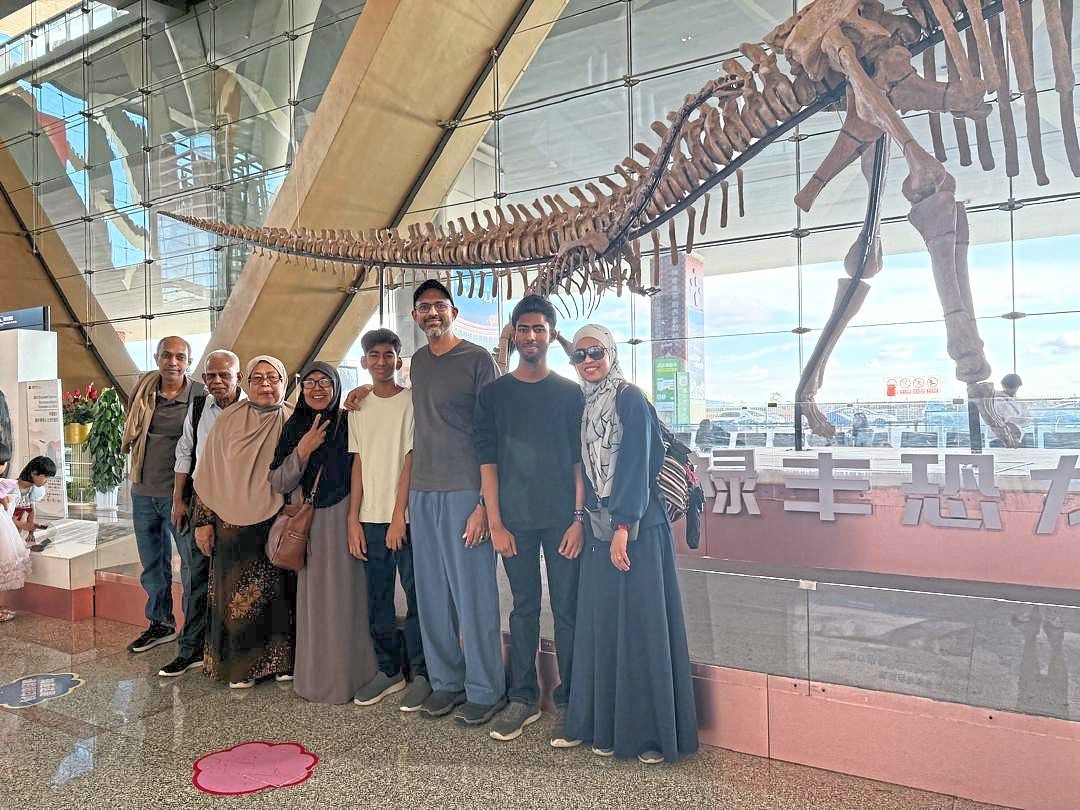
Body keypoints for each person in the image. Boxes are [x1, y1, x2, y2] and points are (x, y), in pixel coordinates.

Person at [344, 279, 504, 725]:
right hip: (422, 493)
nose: (431, 313)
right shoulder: (417, 365)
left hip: (464, 492)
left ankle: (486, 688)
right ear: (414, 316)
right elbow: (396, 407)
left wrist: (483, 506)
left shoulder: (477, 360)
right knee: (432, 597)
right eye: (423, 307)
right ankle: (446, 682)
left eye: (439, 306)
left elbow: (492, 434)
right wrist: (356, 393)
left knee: (474, 595)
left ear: (453, 312)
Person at [560, 324, 698, 764]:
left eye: (596, 351)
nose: (588, 361)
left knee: (641, 626)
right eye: (579, 355)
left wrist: (623, 526)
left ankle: (651, 736)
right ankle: (604, 728)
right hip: (605, 524)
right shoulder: (586, 402)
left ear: (612, 352)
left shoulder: (628, 396)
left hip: (636, 526)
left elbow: (638, 463)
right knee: (605, 625)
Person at [474, 295, 585, 743]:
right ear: (514, 335)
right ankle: (522, 697)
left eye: (540, 329)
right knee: (522, 608)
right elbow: (487, 463)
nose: (532, 336)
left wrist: (578, 519)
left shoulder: (569, 393)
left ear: (550, 334)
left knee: (567, 609)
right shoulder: (494, 395)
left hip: (562, 519)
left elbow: (579, 463)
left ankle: (574, 696)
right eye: (524, 328)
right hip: (514, 520)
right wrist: (496, 522)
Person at [269, 362, 378, 704]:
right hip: (309, 524)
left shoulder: (349, 422)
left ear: (336, 386)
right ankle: (317, 680)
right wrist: (304, 448)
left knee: (349, 600)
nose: (317, 389)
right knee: (316, 604)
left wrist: (365, 390)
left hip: (347, 516)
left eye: (325, 382)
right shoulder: (293, 427)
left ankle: (354, 677)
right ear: (302, 388)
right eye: (311, 382)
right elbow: (278, 481)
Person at [192, 356, 295, 688]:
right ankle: (242, 667)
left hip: (277, 523)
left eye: (273, 378)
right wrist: (203, 521)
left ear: (284, 381)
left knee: (281, 596)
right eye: (258, 378)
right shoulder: (229, 420)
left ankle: (281, 662)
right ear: (246, 383)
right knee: (237, 599)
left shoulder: (293, 419)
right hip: (232, 525)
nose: (266, 385)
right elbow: (207, 472)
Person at [347, 329, 430, 711]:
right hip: (369, 520)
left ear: (399, 360)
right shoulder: (358, 407)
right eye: (374, 355)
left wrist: (399, 516)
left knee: (417, 597)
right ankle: (389, 671)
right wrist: (353, 518)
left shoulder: (412, 402)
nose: (381, 361)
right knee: (377, 598)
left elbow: (410, 459)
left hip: (406, 520)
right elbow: (359, 461)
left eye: (388, 355)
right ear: (364, 361)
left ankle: (423, 674)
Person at [159, 350, 245, 678]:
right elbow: (184, 452)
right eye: (211, 376)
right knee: (196, 576)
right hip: (202, 500)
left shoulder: (257, 407)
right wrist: (179, 500)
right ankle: (190, 649)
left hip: (243, 504)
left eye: (225, 375)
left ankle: (233, 651)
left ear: (238, 376)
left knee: (237, 576)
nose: (218, 381)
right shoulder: (199, 408)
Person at [122, 336, 204, 654]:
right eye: (167, 355)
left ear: (188, 361)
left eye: (180, 357)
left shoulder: (200, 394)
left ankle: (194, 631)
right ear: (157, 357)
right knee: (152, 564)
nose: (173, 362)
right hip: (143, 492)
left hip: (179, 496)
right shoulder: (144, 391)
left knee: (189, 564)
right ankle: (160, 623)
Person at [0, 457, 57, 622]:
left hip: (14, 531)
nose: (46, 481)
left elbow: (31, 509)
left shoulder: (32, 491)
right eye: (45, 476)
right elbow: (6, 515)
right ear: (34, 473)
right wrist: (23, 526)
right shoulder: (10, 487)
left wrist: (31, 526)